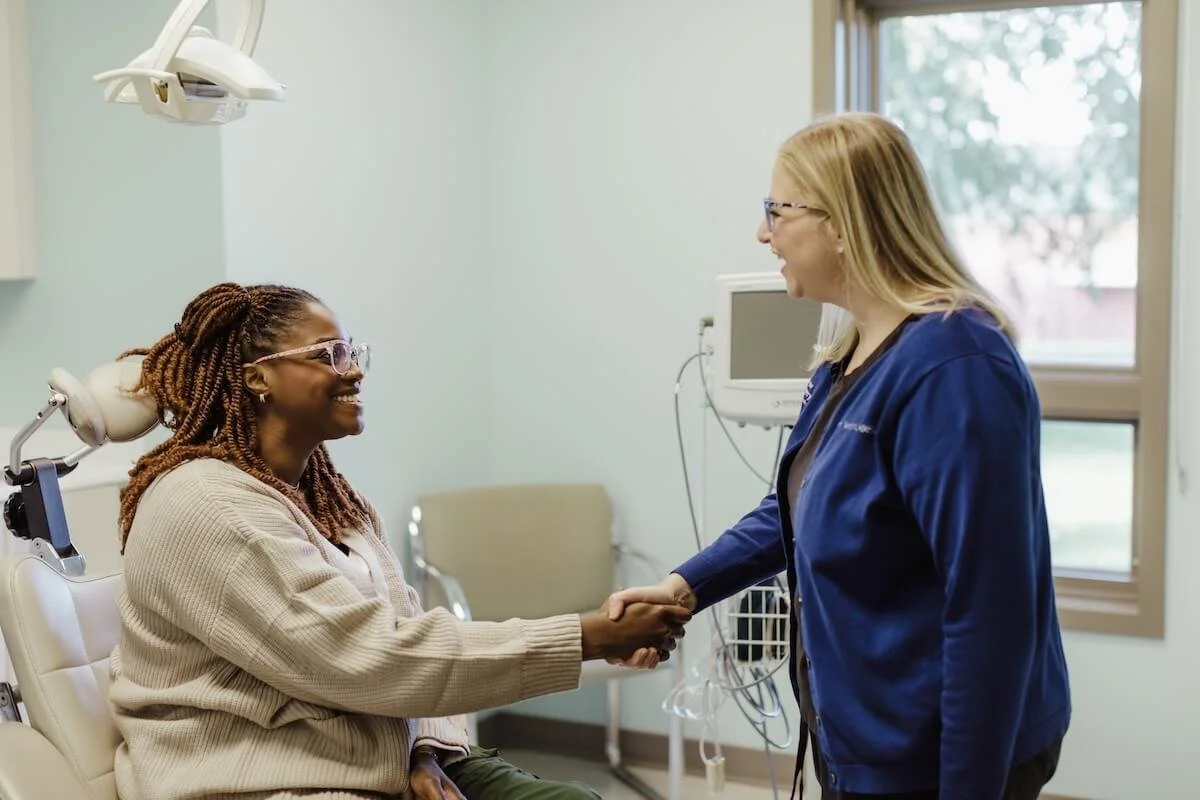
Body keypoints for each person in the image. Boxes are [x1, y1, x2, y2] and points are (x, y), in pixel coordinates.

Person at [607, 112, 1071, 800]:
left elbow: (989, 612)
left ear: (844, 222)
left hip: (939, 754)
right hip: (860, 737)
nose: (763, 234)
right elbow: (793, 509)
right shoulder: (846, 358)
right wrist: (684, 588)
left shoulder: (955, 368)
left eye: (776, 210)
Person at [107, 282, 691, 800]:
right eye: (329, 355)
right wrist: (585, 636)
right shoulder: (207, 506)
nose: (354, 370)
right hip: (272, 777)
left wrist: (426, 751)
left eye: (353, 352)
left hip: (390, 755)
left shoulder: (330, 497)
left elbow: (406, 629)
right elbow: (368, 658)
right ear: (258, 376)